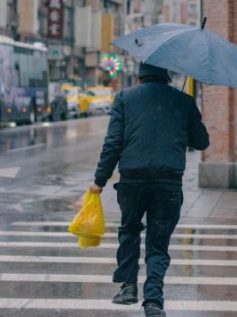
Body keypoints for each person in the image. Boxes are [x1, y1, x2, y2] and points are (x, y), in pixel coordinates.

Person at [88, 63, 210, 317]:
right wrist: (183, 121)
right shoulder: (183, 100)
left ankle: (129, 287)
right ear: (166, 78)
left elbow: (113, 142)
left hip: (132, 180)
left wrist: (100, 179)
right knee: (158, 243)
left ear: (140, 78)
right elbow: (202, 142)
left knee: (129, 229)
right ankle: (153, 301)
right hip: (168, 183)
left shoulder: (125, 98)